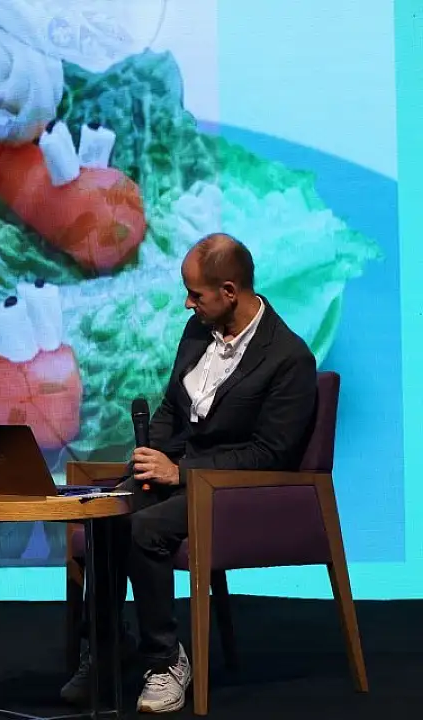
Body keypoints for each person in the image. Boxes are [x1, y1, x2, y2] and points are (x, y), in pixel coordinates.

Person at [61, 234, 318, 713]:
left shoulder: (289, 359)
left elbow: (271, 455)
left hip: (234, 492)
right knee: (106, 511)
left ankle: (165, 661)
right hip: (182, 476)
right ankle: (107, 646)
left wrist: (180, 471)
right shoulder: (199, 330)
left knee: (145, 529)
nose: (187, 304)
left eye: (195, 294)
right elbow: (172, 409)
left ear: (229, 291)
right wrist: (148, 459)